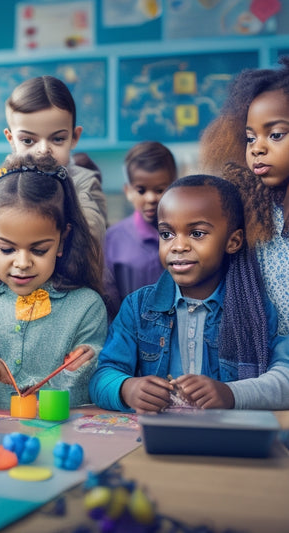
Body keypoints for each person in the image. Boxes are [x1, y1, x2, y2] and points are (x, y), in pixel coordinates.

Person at [89, 174, 289, 413]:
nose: (178, 246)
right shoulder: (138, 308)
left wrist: (230, 394)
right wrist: (126, 388)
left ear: (233, 241)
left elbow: (285, 379)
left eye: (197, 233)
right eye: (167, 234)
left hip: (226, 442)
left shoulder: (253, 309)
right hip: (155, 442)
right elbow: (102, 375)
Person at [0, 153, 108, 409]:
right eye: (6, 249)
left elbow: (93, 394)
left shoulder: (86, 307)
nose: (22, 263)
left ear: (62, 239)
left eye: (38, 250)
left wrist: (79, 373)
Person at [199, 56, 289, 335]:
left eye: (275, 135)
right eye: (250, 138)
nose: (257, 148)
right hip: (269, 362)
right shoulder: (251, 212)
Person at [3, 75, 108, 245]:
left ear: (74, 137)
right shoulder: (3, 183)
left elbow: (92, 233)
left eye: (57, 139)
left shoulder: (84, 183)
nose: (44, 150)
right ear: (11, 140)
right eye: (28, 141)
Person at [104, 141, 177, 304]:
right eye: (141, 190)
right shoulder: (113, 239)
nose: (150, 198)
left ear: (175, 187)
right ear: (128, 191)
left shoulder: (186, 235)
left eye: (159, 190)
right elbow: (109, 297)